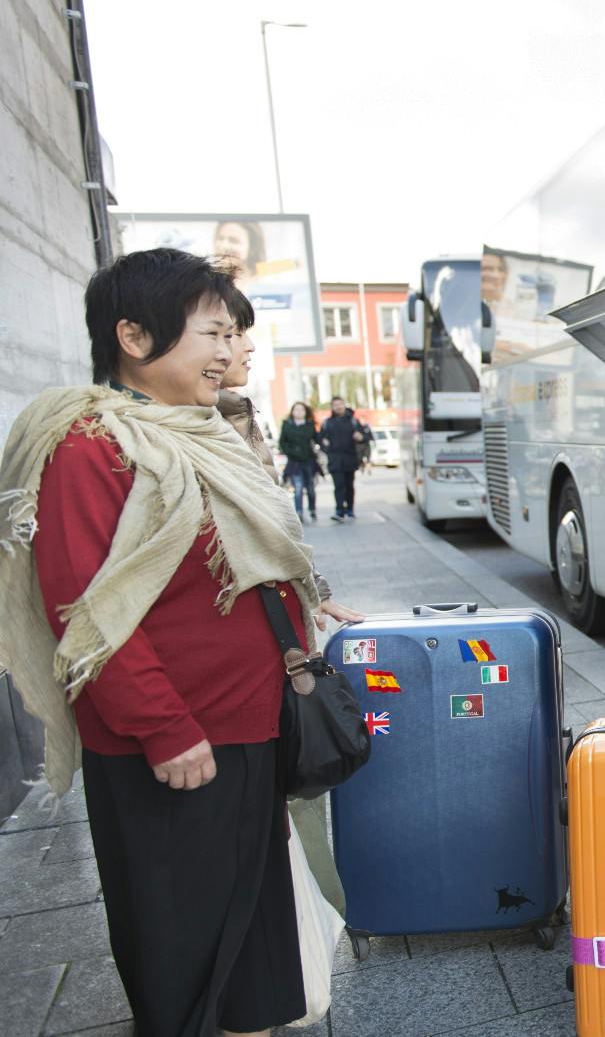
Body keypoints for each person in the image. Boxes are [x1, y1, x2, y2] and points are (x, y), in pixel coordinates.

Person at [0, 248, 315, 1035]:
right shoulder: (89, 447)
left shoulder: (192, 434)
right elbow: (89, 610)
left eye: (229, 332)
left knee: (248, 938)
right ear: (134, 338)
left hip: (242, 728)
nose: (225, 350)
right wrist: (164, 727)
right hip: (172, 746)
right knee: (187, 945)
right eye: (210, 332)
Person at [220, 295, 362, 919]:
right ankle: (304, 921)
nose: (245, 348)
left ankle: (315, 918)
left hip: (279, 627)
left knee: (290, 784)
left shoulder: (234, 414)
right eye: (226, 333)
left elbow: (278, 525)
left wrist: (319, 594)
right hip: (249, 644)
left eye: (242, 334)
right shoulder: (203, 426)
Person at [316, 396, 364, 522]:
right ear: (332, 407)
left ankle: (350, 509)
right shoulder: (327, 423)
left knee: (349, 486)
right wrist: (325, 445)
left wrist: (360, 437)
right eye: (335, 404)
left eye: (340, 404)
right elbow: (320, 439)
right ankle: (339, 511)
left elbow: (364, 436)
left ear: (344, 405)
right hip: (335, 460)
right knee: (338, 486)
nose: (338, 406)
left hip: (350, 458)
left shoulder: (353, 421)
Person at [279, 401, 321, 520]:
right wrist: (290, 452)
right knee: (297, 487)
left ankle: (312, 509)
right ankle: (299, 512)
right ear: (292, 412)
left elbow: (318, 439)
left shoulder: (310, 425)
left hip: (309, 461)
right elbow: (282, 442)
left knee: (311, 488)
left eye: (301, 409)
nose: (299, 412)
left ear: (305, 412)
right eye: (296, 409)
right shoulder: (287, 425)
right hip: (294, 462)